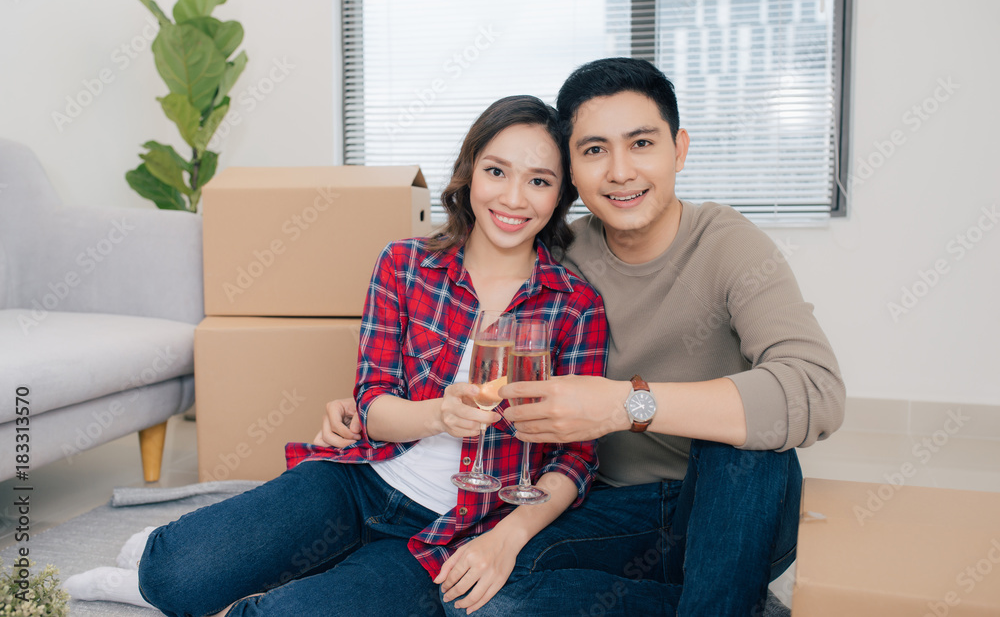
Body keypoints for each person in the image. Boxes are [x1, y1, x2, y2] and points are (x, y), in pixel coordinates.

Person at [320, 58, 846, 616]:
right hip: (612, 511)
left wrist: (627, 404)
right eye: (595, 150)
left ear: (679, 150)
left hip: (724, 502)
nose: (620, 172)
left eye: (642, 143)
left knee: (744, 442)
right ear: (571, 170)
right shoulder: (560, 259)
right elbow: (461, 316)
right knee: (480, 594)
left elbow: (816, 391)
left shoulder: (732, 247)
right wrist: (364, 407)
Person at [66, 96, 608, 617]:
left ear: (560, 197)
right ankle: (202, 574)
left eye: (539, 181)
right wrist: (439, 414)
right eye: (497, 171)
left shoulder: (576, 305)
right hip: (360, 481)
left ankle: (266, 586)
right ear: (469, 176)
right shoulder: (404, 265)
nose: (514, 197)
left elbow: (577, 458)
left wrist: (508, 539)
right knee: (170, 573)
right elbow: (370, 402)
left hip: (454, 530)